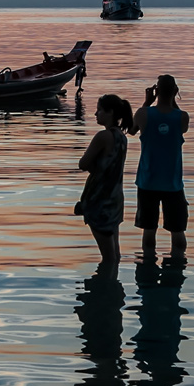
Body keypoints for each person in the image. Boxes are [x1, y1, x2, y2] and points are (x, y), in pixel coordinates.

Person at [134, 75, 189, 259]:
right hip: (173, 184)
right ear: (175, 91)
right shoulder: (181, 117)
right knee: (178, 231)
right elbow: (182, 128)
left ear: (156, 91)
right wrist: (172, 99)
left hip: (148, 181)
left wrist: (147, 101)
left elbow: (132, 129)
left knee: (149, 231)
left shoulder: (143, 114)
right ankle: (177, 267)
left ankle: (147, 268)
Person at [78, 93, 134, 264]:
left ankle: (105, 288)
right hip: (115, 199)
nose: (96, 114)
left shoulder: (103, 137)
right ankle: (113, 287)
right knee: (114, 254)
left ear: (110, 113)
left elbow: (83, 163)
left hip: (100, 199)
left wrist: (95, 169)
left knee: (108, 258)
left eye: (99, 110)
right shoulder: (122, 138)